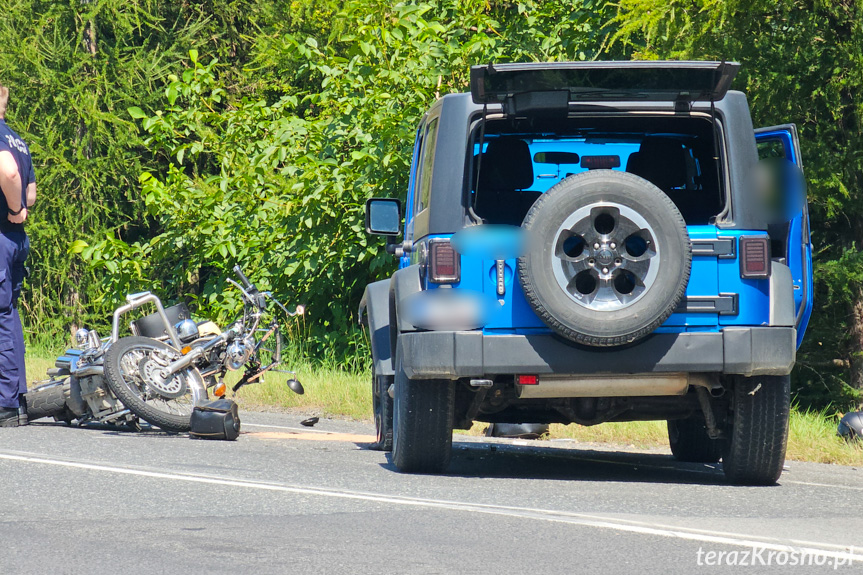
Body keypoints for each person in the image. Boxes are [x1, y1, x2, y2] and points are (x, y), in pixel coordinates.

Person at [0, 82, 35, 427]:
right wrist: (20, 208)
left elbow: (7, 172)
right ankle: (17, 399)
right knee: (8, 314)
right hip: (15, 239)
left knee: (0, 317)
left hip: (1, 233)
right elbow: (32, 192)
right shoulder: (18, 140)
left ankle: (5, 404)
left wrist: (13, 208)